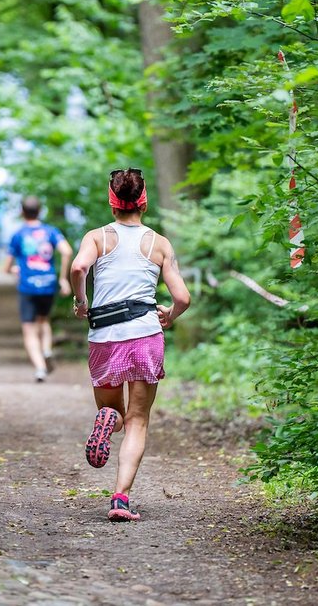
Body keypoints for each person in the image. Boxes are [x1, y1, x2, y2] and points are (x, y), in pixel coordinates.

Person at [69, 168, 191, 522]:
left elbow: (78, 268)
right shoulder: (159, 244)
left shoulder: (97, 238)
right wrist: (170, 314)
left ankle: (108, 419)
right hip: (145, 334)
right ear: (144, 201)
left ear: (112, 202)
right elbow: (182, 296)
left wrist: (81, 301)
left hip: (105, 336)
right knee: (138, 420)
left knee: (117, 414)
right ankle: (120, 499)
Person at [2, 196, 72, 382]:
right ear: (40, 211)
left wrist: (14, 269)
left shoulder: (18, 235)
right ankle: (47, 350)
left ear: (22, 212)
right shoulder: (51, 231)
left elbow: (7, 266)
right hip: (48, 283)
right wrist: (63, 279)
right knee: (44, 321)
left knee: (29, 329)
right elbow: (67, 251)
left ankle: (40, 367)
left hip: (28, 285)